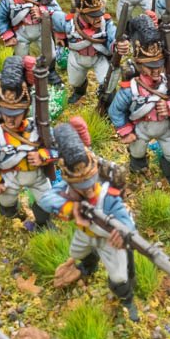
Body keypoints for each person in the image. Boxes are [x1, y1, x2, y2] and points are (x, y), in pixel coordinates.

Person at [37, 118, 142, 322]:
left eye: (89, 184)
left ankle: (127, 300)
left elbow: (124, 218)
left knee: (119, 277)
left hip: (108, 238)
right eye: (82, 187)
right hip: (85, 233)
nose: (88, 190)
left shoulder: (106, 192)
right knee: (77, 253)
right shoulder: (68, 186)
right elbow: (46, 199)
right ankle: (88, 266)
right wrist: (73, 208)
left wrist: (124, 233)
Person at [109, 15, 170, 188]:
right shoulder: (130, 89)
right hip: (141, 128)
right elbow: (115, 110)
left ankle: (169, 175)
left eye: (159, 66)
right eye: (150, 67)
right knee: (137, 152)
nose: (156, 71)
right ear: (139, 65)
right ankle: (138, 170)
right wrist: (125, 131)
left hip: (165, 128)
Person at [0, 56, 57, 231]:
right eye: (6, 114)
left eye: (15, 114)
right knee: (6, 203)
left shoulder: (38, 128)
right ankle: (12, 214)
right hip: (10, 177)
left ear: (25, 111)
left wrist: (43, 156)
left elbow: (57, 147)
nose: (10, 119)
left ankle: (43, 223)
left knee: (47, 202)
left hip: (37, 176)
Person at [52, 0, 127, 105]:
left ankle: (109, 103)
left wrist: (117, 45)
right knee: (75, 81)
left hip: (98, 58)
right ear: (81, 12)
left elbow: (113, 35)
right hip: (77, 58)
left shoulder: (105, 23)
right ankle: (80, 91)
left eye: (99, 12)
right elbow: (55, 19)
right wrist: (61, 37)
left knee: (108, 82)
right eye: (93, 15)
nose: (98, 18)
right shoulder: (70, 23)